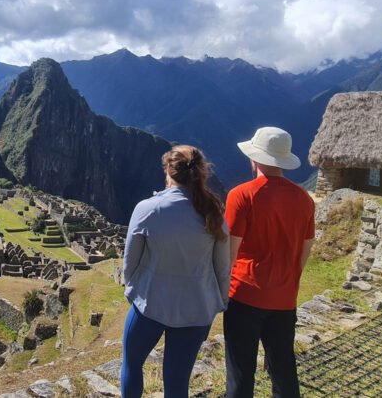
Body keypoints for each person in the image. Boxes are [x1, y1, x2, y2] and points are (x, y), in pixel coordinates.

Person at [121, 145, 232, 398]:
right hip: (196, 309)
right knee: (177, 382)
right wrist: (219, 303)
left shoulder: (148, 209)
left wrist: (133, 292)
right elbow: (222, 268)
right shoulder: (213, 214)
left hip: (149, 304)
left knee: (132, 364)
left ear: (168, 171)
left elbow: (130, 262)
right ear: (202, 173)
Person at [223, 127, 316, 398]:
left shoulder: (241, 195)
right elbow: (305, 249)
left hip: (244, 294)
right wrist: (288, 279)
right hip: (285, 298)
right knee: (283, 368)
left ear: (256, 159)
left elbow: (229, 251)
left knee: (241, 371)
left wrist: (220, 289)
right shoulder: (304, 199)